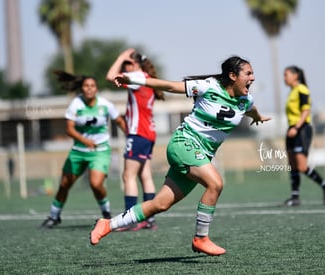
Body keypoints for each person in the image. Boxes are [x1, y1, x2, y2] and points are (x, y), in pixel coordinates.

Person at [90, 55, 271, 256]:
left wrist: (259, 117)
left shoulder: (245, 100)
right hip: (184, 144)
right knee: (216, 183)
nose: (253, 78)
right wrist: (133, 79)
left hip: (201, 154)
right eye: (248, 73)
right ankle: (201, 238)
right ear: (232, 76)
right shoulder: (208, 86)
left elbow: (251, 109)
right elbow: (168, 86)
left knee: (160, 204)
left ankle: (107, 224)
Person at [41, 71, 126, 228]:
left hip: (100, 151)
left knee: (95, 184)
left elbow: (119, 121)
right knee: (64, 184)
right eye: (86, 86)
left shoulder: (106, 105)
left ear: (96, 88)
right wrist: (85, 141)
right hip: (78, 151)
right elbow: (69, 129)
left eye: (92, 86)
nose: (89, 88)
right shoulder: (76, 104)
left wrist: (131, 135)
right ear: (82, 88)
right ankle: (54, 216)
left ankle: (107, 215)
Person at [106, 49, 164, 231]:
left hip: (138, 133)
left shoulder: (137, 77)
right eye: (125, 64)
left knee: (128, 175)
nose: (125, 66)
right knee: (144, 175)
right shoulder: (146, 77)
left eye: (128, 63)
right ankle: (149, 219)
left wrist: (119, 56)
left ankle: (129, 219)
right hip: (148, 133)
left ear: (137, 64)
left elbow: (110, 76)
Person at [283, 65, 325, 206]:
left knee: (301, 165)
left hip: (301, 129)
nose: (284, 77)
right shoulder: (292, 91)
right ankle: (295, 197)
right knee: (292, 164)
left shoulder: (302, 89)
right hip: (291, 129)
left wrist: (297, 127)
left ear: (295, 76)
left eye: (286, 74)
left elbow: (306, 111)